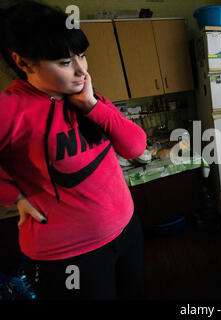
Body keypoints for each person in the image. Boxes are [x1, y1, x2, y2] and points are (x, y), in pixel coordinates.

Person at [0, 2, 147, 300]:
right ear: (24, 63)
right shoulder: (12, 109)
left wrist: (93, 106)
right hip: (70, 254)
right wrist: (13, 196)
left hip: (126, 230)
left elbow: (135, 146)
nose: (81, 69)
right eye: (65, 62)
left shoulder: (85, 96)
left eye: (82, 55)